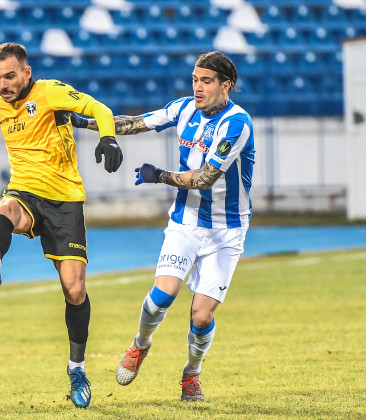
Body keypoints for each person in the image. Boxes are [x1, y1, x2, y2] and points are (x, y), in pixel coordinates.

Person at [73, 51, 254, 402]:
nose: (198, 88)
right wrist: (83, 122)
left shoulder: (237, 124)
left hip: (227, 231)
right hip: (186, 222)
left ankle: (192, 374)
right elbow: (135, 122)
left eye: (206, 81)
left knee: (201, 317)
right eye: (195, 80)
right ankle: (140, 345)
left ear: (226, 85)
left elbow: (204, 178)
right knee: (160, 299)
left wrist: (160, 176)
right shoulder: (184, 108)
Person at [0, 42, 123, 408]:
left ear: (26, 73)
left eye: (10, 76)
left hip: (64, 200)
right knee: (6, 208)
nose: (3, 85)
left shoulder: (50, 91)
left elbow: (98, 108)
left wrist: (108, 137)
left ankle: (76, 368)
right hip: (24, 190)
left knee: (74, 291)